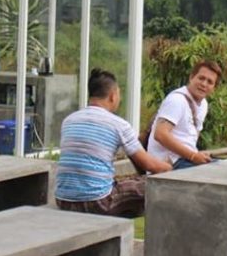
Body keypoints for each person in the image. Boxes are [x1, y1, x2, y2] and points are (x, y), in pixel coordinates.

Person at [55, 69, 172, 217]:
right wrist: (170, 167)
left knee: (126, 184)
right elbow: (150, 165)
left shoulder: (69, 120)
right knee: (158, 186)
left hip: (63, 200)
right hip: (97, 202)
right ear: (113, 96)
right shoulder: (118, 125)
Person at [146, 60, 221, 169]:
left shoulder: (203, 104)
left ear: (214, 88)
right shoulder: (177, 100)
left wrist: (196, 154)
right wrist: (193, 156)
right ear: (191, 77)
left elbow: (191, 137)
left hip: (185, 159)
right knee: (220, 172)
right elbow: (160, 134)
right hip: (168, 163)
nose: (204, 84)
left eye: (210, 82)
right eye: (201, 78)